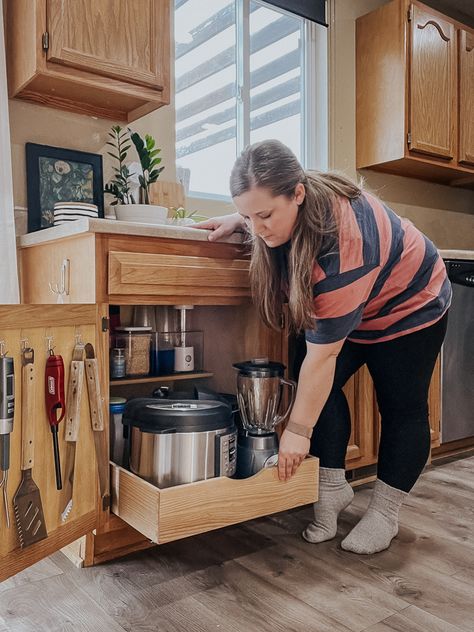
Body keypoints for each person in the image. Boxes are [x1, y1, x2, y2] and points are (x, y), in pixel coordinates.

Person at [196, 140, 451, 554]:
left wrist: (297, 433)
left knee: (402, 408)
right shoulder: (293, 205)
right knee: (315, 387)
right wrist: (241, 220)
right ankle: (332, 489)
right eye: (249, 214)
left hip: (410, 306)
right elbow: (318, 369)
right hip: (355, 303)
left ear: (297, 193)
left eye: (264, 216)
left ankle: (384, 513)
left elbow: (324, 356)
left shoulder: (344, 248)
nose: (258, 228)